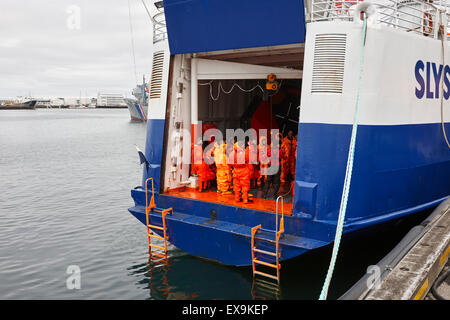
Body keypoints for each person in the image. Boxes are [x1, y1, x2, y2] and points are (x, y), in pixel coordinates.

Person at [262, 135, 287, 199]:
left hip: (270, 166)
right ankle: (274, 196)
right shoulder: (280, 151)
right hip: (277, 166)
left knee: (268, 180)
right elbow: (285, 157)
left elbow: (264, 157)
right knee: (276, 181)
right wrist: (283, 152)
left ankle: (264, 195)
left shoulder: (269, 150)